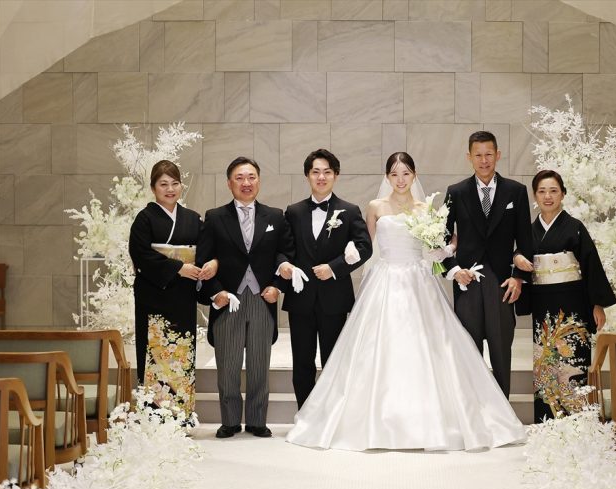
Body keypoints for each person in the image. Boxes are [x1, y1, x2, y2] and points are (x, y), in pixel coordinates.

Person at [286, 152, 526, 451]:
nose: (400, 180)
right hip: (385, 280)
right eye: (395, 174)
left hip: (419, 280)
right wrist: (348, 254)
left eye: (406, 174)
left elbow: (436, 249)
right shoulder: (375, 207)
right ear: (387, 177)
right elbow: (366, 247)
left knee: (431, 347)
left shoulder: (425, 209)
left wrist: (447, 253)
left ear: (414, 175)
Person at [196, 157, 294, 439]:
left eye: (251, 177)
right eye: (239, 178)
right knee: (227, 364)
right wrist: (216, 292)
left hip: (262, 298)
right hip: (229, 299)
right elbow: (204, 259)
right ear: (229, 183)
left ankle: (256, 420)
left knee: (259, 363)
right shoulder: (215, 217)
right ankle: (229, 420)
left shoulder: (275, 216)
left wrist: (278, 286)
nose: (246, 183)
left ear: (259, 181)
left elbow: (285, 254)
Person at [513, 169, 616, 422]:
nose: (547, 196)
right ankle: (548, 424)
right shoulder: (529, 231)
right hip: (543, 304)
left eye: (553, 191)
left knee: (574, 359)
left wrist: (597, 304)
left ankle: (576, 423)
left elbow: (591, 265)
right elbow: (518, 255)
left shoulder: (575, 227)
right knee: (545, 362)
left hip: (574, 304)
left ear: (563, 194)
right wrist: (517, 258)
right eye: (542, 191)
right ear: (535, 196)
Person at [279, 149, 372, 408]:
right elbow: (284, 249)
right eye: (316, 172)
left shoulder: (349, 211)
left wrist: (333, 268)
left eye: (327, 172)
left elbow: (365, 248)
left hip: (334, 299)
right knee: (302, 362)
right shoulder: (294, 211)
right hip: (301, 299)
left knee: (333, 361)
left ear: (336, 175)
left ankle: (329, 415)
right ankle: (304, 414)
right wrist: (284, 265)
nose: (321, 177)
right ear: (307, 176)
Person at [443, 131, 533, 399]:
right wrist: (454, 270)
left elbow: (525, 241)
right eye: (478, 155)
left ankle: (502, 409)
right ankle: (472, 406)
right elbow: (441, 239)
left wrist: (518, 277)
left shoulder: (516, 191)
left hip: (501, 281)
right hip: (468, 281)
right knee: (468, 348)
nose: (484, 160)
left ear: (498, 155)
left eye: (489, 154)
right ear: (469, 157)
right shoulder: (456, 192)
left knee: (501, 347)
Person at [129, 160, 217, 415]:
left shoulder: (192, 219)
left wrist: (210, 264)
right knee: (154, 354)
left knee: (181, 352)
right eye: (163, 184)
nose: (170, 189)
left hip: (183, 297)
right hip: (153, 297)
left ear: (181, 186)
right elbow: (141, 255)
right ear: (153, 188)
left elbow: (206, 250)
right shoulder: (144, 219)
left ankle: (181, 415)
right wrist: (178, 268)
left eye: (175, 183)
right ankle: (154, 417)